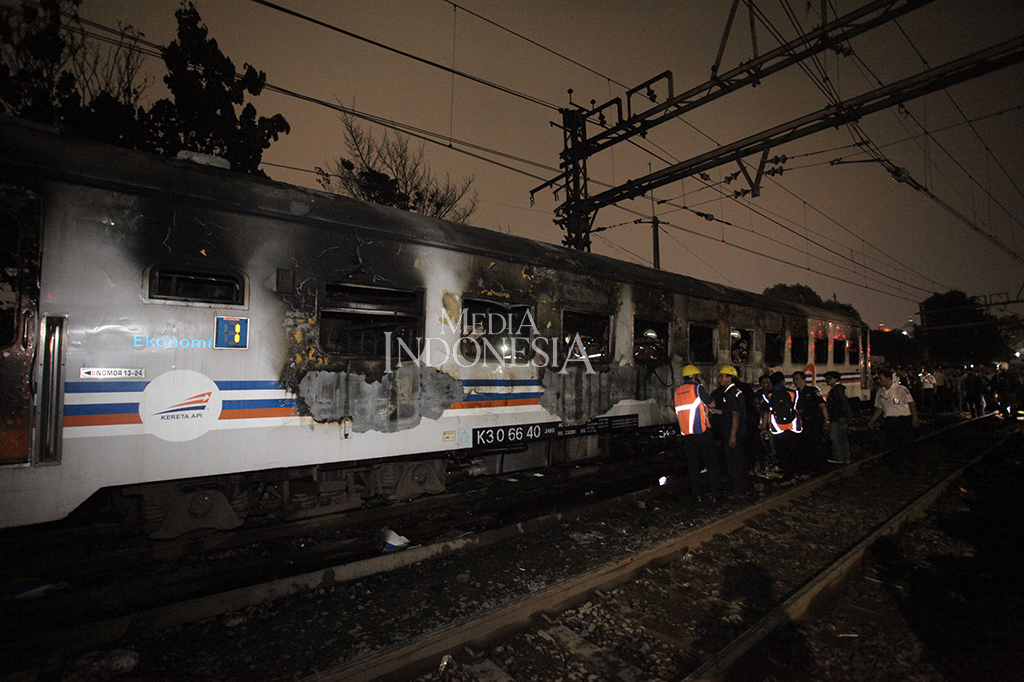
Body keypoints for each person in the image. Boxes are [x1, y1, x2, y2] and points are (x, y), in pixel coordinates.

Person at [674, 365, 721, 502]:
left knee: (693, 465)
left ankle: (697, 495)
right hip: (702, 432)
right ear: (695, 376)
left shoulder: (677, 391)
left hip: (687, 434)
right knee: (710, 463)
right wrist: (704, 386)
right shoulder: (697, 388)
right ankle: (715, 494)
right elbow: (712, 404)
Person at [868, 368, 920, 472]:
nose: (878, 381)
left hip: (903, 420)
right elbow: (879, 408)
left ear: (888, 379)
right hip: (890, 421)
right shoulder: (880, 392)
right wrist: (872, 420)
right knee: (893, 444)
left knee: (907, 443)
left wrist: (915, 418)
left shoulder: (901, 389)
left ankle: (913, 464)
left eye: (880, 379)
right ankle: (898, 466)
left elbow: (911, 404)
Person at [714, 365, 751, 496]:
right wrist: (717, 412)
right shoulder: (736, 391)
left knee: (734, 459)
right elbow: (730, 412)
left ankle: (739, 486)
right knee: (738, 457)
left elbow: (735, 415)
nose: (720, 379)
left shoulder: (730, 393)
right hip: (738, 429)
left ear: (730, 378)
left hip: (734, 430)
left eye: (722, 376)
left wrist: (732, 435)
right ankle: (741, 485)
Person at [761, 371, 802, 483]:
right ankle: (795, 473)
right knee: (793, 450)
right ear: (783, 381)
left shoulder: (767, 395)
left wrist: (764, 428)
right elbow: (797, 408)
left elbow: (765, 412)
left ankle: (787, 475)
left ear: (771, 383)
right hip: (793, 426)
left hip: (778, 428)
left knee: (782, 451)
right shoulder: (794, 393)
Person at [793, 370, 828, 475]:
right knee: (806, 445)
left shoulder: (812, 391)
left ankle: (820, 467)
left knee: (817, 444)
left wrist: (826, 420)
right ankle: (810, 467)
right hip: (803, 423)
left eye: (797, 379)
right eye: (794, 380)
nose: (796, 382)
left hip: (814, 421)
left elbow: (822, 405)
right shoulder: (795, 394)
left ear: (804, 380)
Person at [824, 371, 852, 464]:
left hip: (837, 417)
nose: (828, 381)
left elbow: (842, 403)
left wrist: (841, 415)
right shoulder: (839, 389)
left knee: (835, 437)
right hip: (840, 417)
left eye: (830, 378)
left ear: (835, 379)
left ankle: (838, 457)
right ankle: (846, 457)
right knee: (842, 437)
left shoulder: (837, 389)